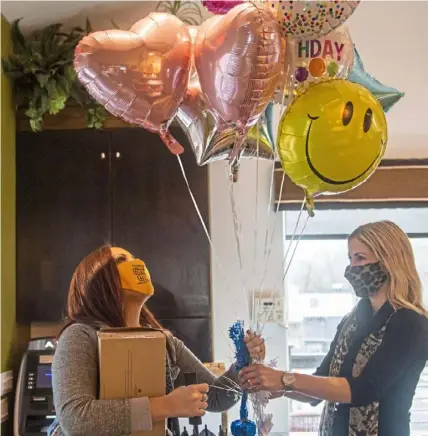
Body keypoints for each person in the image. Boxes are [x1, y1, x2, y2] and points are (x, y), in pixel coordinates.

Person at [50, 245, 265, 436]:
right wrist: (166, 406)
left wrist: (242, 360)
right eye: (121, 260)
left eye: (133, 257)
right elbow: (75, 420)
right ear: (97, 281)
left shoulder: (165, 343)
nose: (136, 264)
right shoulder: (80, 336)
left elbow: (217, 397)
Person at [239, 220, 428, 436]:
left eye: (360, 258)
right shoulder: (352, 320)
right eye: (350, 258)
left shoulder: (410, 323)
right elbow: (319, 385)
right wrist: (275, 387)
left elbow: (365, 389)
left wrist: (284, 379)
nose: (352, 268)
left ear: (389, 261)